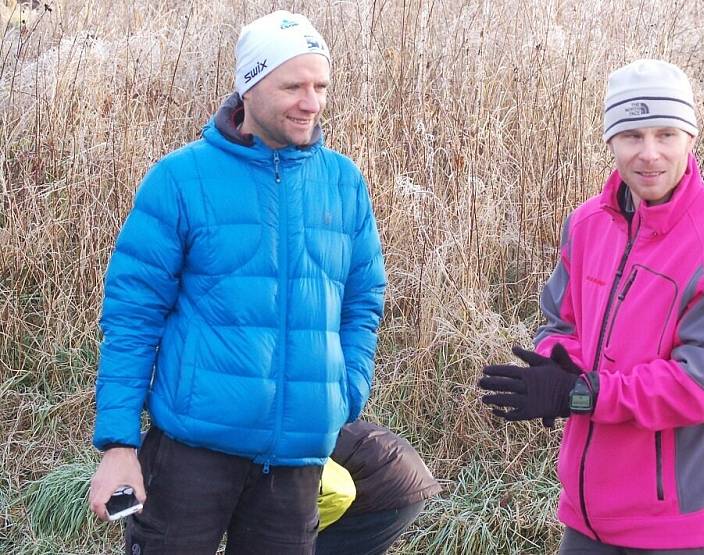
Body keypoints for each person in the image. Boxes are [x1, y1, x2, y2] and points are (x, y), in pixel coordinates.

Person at [88, 10, 386, 554]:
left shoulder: (344, 183)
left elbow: (363, 300)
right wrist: (117, 444)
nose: (312, 102)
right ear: (249, 87)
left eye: (320, 86)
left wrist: (345, 394)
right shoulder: (181, 179)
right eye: (293, 86)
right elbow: (132, 317)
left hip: (296, 462)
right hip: (191, 455)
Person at [479, 59, 704, 554]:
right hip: (588, 516)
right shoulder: (587, 223)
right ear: (610, 140)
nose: (649, 153)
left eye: (666, 134)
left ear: (690, 138)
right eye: (632, 135)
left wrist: (581, 394)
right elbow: (561, 320)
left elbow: (701, 384)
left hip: (681, 524)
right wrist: (555, 363)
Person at [316, 420, 442, 555]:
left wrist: (302, 528)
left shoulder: (295, 450)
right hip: (402, 474)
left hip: (388, 485)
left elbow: (340, 492)